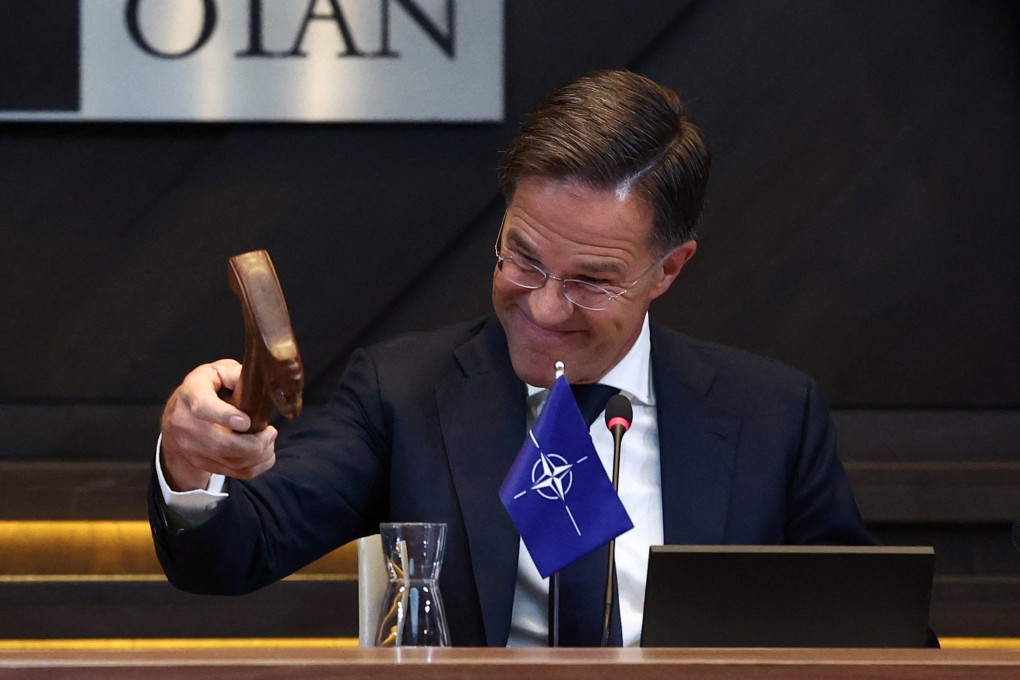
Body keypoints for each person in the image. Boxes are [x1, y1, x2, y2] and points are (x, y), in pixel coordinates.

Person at [150, 69, 873, 647]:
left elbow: (870, 638)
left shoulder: (772, 415)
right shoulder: (405, 393)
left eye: (590, 280)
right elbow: (230, 553)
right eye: (522, 259)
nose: (544, 306)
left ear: (669, 269)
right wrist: (191, 463)